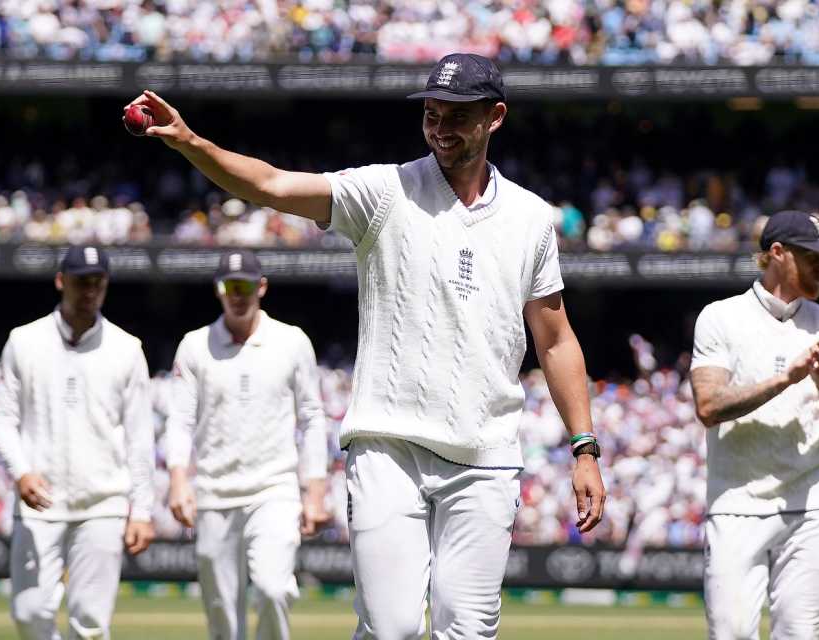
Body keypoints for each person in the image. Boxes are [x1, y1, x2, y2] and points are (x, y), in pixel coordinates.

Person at [126, 52, 605, 638]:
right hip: (387, 447)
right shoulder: (383, 191)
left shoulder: (531, 218)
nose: (441, 127)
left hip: (486, 454)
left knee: (469, 630)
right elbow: (273, 186)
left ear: (495, 117)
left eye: (457, 115)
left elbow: (554, 338)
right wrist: (190, 142)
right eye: (432, 114)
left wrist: (584, 446)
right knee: (391, 629)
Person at [689, 210, 819, 639]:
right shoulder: (720, 317)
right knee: (731, 633)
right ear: (777, 254)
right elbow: (708, 405)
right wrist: (787, 378)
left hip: (809, 505)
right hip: (735, 503)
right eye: (812, 256)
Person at [0, 245, 156, 640]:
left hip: (102, 502)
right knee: (29, 612)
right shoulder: (23, 341)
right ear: (61, 281)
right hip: (39, 504)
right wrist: (22, 472)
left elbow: (139, 437)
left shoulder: (126, 348)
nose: (90, 291)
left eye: (98, 282)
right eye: (82, 281)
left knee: (91, 623)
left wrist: (143, 510)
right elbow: (2, 420)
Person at [166, 250, 330, 640]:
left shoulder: (291, 342)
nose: (238, 295)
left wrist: (316, 491)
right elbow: (180, 421)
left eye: (245, 286)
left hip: (273, 490)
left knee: (274, 590)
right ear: (218, 290)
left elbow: (312, 417)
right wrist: (177, 481)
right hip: (213, 492)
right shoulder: (194, 346)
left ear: (262, 287)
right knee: (222, 612)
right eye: (229, 287)